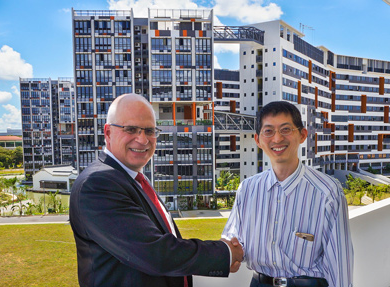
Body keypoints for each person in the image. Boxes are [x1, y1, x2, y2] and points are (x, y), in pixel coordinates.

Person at [70, 93, 243, 287]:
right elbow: (156, 254)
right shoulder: (98, 184)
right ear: (108, 133)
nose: (143, 139)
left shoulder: (133, 179)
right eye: (131, 129)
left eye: (150, 130)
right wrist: (225, 253)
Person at [222, 101, 353, 287]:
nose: (277, 139)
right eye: (268, 131)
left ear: (302, 135)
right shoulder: (247, 189)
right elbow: (233, 238)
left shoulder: (327, 192)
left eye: (285, 129)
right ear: (258, 140)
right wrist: (230, 253)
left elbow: (339, 262)